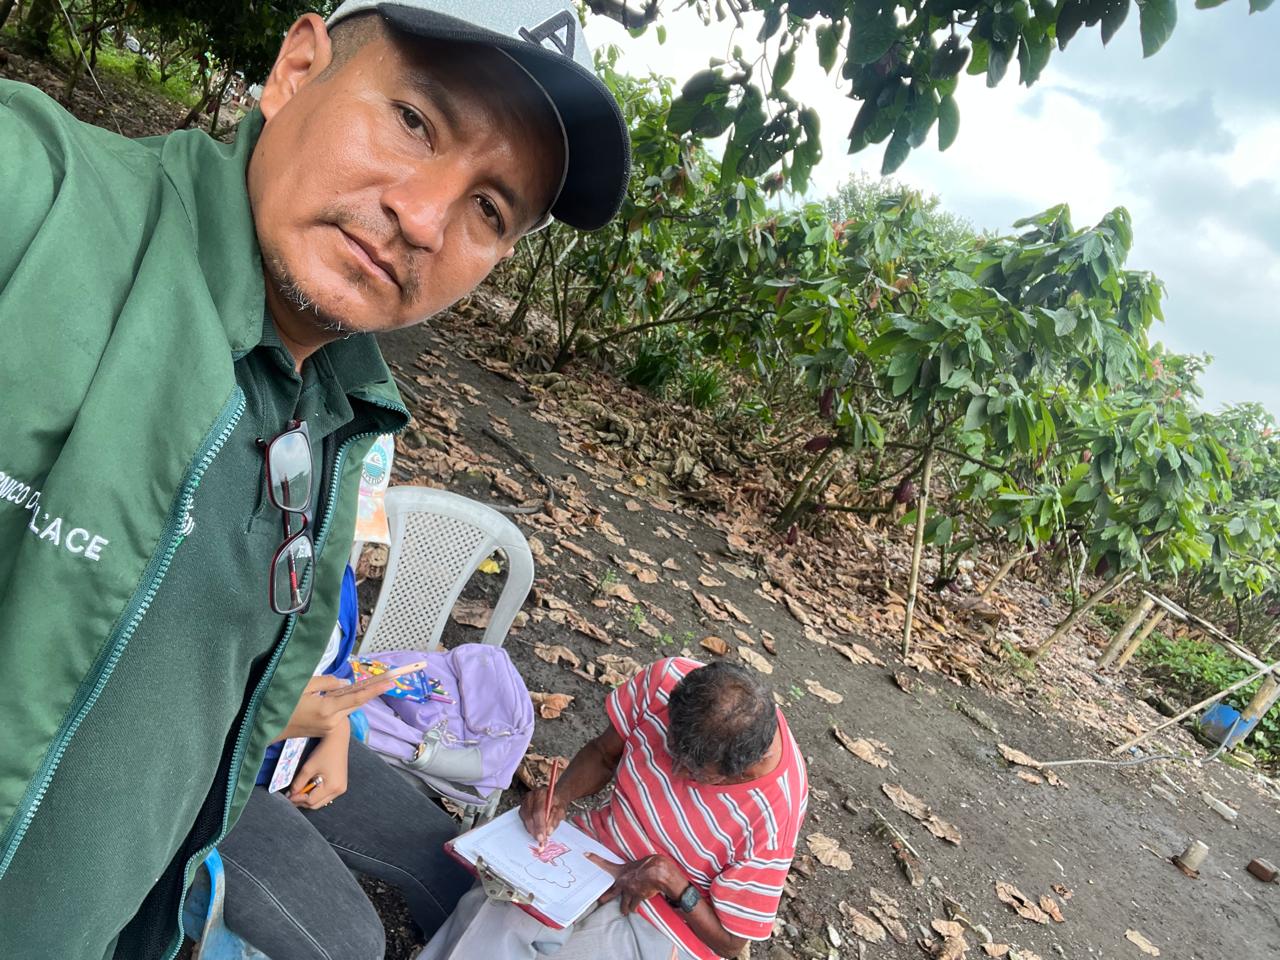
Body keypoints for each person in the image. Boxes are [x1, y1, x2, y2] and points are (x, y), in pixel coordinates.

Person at [0, 2, 629, 958]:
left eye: (489, 209)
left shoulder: (336, 423)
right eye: (414, 120)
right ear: (295, 69)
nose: (424, 219)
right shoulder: (41, 204)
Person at [422, 658, 809, 960]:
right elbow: (604, 754)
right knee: (494, 914)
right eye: (670, 750)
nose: (674, 772)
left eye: (694, 772)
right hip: (591, 854)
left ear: (741, 771)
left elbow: (730, 943)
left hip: (660, 921)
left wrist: (673, 883)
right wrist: (560, 797)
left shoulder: (775, 811)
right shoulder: (666, 682)